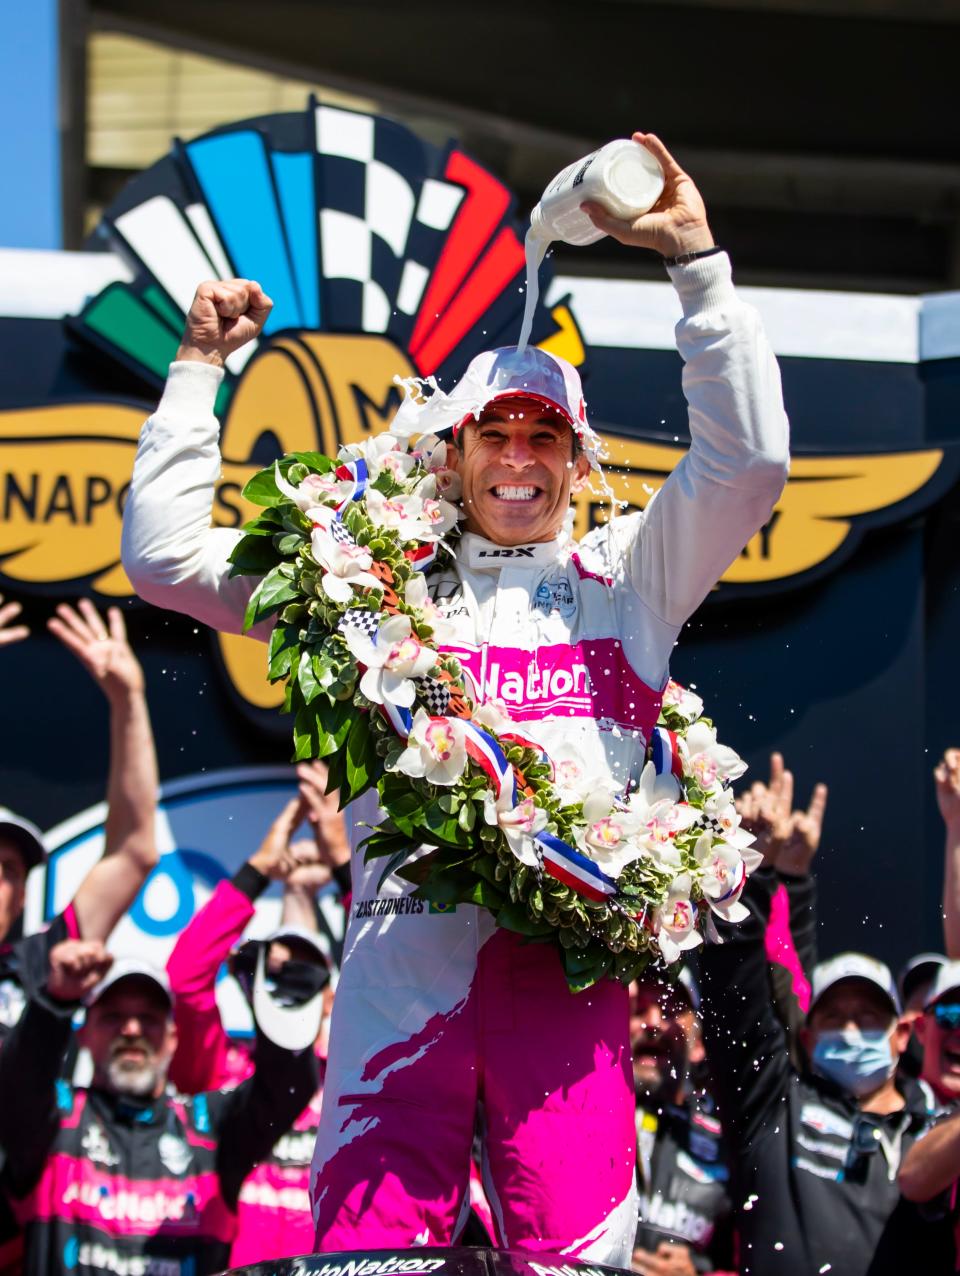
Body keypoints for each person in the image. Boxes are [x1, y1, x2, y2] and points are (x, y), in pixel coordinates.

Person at [120, 130, 790, 1264]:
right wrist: (197, 373)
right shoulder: (362, 585)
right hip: (395, 978)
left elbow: (750, 464)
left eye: (546, 436)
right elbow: (166, 559)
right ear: (453, 452)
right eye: (495, 434)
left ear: (578, 461)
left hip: (561, 988)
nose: (519, 457)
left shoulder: (630, 577)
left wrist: (697, 265)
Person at [700, 775, 953, 1275]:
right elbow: (738, 1000)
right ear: (809, 1037)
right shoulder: (774, 1108)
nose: (852, 1031)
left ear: (901, 1035)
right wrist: (749, 872)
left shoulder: (936, 1129)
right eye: (835, 1018)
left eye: (868, 1018)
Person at [0, 939, 317, 1276]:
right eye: (113, 1017)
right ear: (84, 1035)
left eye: (148, 1018)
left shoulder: (209, 1126)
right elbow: (16, 1085)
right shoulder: (54, 1120)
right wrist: (53, 1002)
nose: (132, 1029)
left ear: (172, 1037)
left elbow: (288, 1086)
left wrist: (279, 1002)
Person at [165, 784, 340, 1267]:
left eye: (305, 974)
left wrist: (347, 865)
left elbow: (393, 974)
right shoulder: (225, 1075)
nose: (290, 987)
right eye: (276, 973)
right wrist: (258, 870)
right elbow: (186, 977)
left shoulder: (359, 1080)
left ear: (331, 992)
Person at [0, 601, 160, 1040]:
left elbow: (133, 851)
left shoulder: (43, 962)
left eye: (9, 871)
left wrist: (127, 700)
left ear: (20, 900)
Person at [630, 975, 734, 1276]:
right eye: (639, 1007)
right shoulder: (575, 1119)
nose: (652, 1022)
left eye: (670, 1009)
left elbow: (764, 1257)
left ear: (699, 1042)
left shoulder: (729, 1140)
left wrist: (701, 1274)